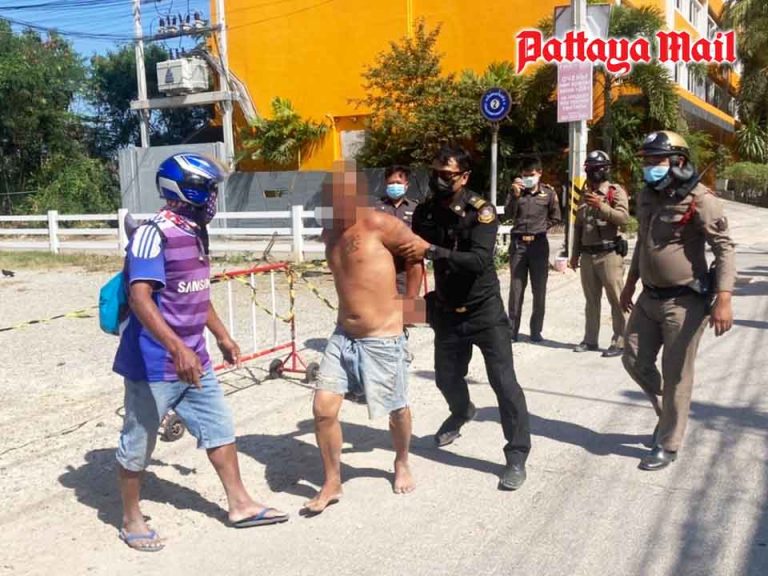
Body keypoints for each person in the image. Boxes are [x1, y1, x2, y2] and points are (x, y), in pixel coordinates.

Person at [112, 153, 288, 552]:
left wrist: (222, 336)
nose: (212, 197)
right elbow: (140, 298)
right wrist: (176, 347)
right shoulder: (152, 234)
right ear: (181, 190)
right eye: (206, 189)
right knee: (138, 443)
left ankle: (240, 504)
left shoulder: (195, 231)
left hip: (195, 358)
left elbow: (195, 291)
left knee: (219, 428)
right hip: (153, 363)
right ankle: (131, 518)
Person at [403, 146, 531, 491]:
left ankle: (516, 454)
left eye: (447, 175)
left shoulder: (481, 212)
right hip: (447, 311)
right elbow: (409, 251)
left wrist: (433, 251)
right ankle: (461, 411)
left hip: (484, 312)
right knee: (446, 378)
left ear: (464, 177)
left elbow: (478, 260)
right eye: (435, 173)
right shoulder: (427, 210)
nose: (439, 180)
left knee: (504, 383)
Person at [305, 161, 424, 514]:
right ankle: (332, 481)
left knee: (395, 409)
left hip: (382, 336)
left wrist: (410, 306)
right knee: (323, 409)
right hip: (343, 335)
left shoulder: (379, 223)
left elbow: (416, 255)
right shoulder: (329, 233)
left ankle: (401, 460)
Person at [620, 131, 735, 471]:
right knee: (632, 358)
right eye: (647, 160)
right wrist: (630, 283)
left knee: (677, 375)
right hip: (648, 296)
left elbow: (724, 248)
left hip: (685, 302)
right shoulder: (647, 196)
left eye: (656, 160)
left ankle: (668, 443)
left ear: (678, 162)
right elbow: (643, 244)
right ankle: (669, 408)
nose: (649, 166)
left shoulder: (701, 199)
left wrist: (724, 298)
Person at [569, 150, 630, 358]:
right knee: (591, 300)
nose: (592, 172)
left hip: (609, 254)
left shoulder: (615, 192)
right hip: (587, 255)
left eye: (596, 168)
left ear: (605, 169)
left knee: (617, 299)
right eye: (589, 168)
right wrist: (574, 254)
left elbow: (623, 218)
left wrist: (601, 205)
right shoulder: (583, 193)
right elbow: (578, 226)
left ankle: (620, 341)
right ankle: (590, 340)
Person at [505, 158, 561, 342]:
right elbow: (507, 214)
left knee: (539, 290)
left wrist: (541, 227)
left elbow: (556, 216)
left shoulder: (549, 193)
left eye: (531, 175)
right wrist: (515, 196)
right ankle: (512, 331)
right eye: (525, 175)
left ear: (539, 173)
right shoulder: (516, 192)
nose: (528, 178)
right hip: (518, 245)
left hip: (538, 245)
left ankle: (536, 330)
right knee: (516, 289)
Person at [374, 165, 418, 295]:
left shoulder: (416, 208)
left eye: (398, 183)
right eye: (391, 183)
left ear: (406, 185)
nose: (394, 186)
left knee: (405, 301)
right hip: (381, 265)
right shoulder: (376, 208)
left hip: (405, 267)